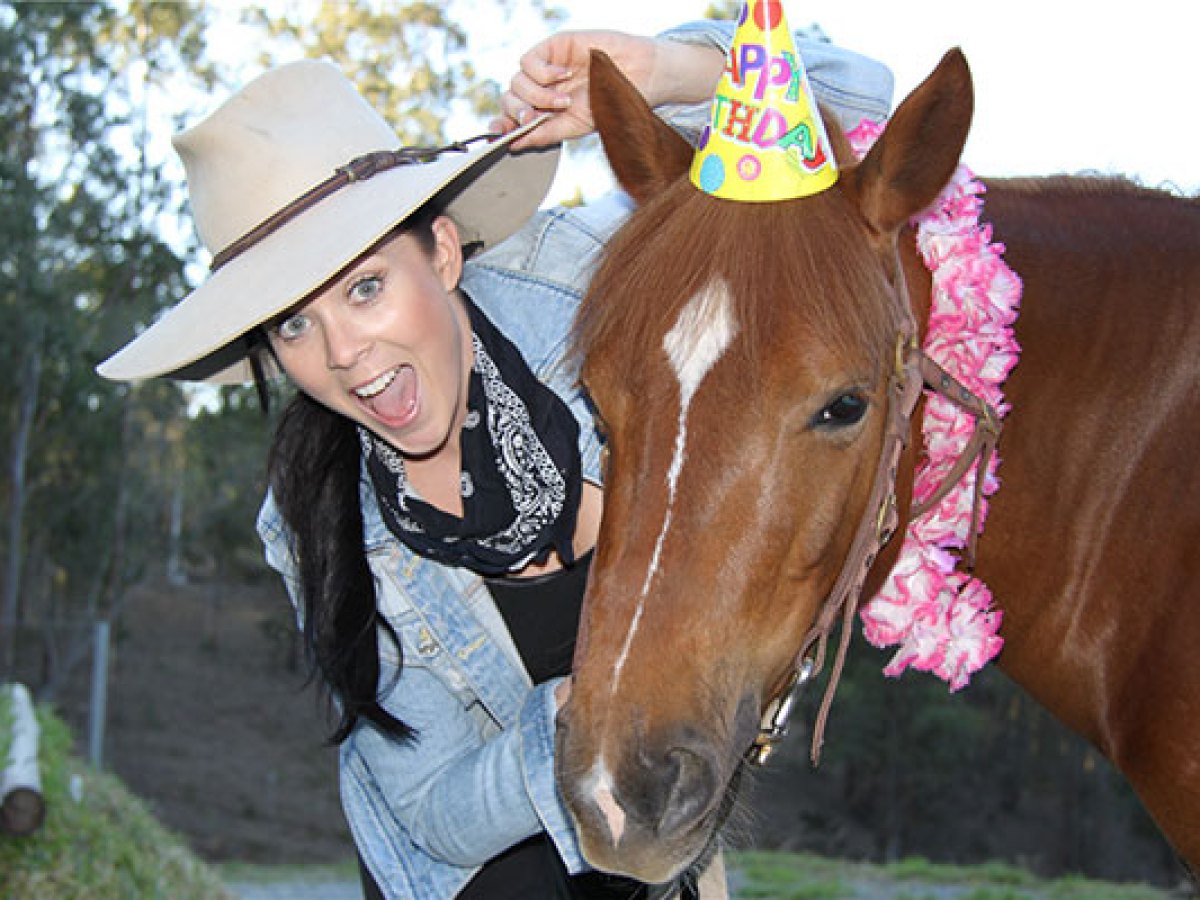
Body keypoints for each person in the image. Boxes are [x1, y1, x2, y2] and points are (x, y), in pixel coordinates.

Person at [98, 16, 893, 900]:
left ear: (441, 252)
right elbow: (434, 809)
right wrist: (579, 715)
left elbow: (863, 99)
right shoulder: (317, 518)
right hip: (475, 875)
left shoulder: (599, 286)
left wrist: (668, 71)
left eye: (366, 288)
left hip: (651, 819)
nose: (345, 354)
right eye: (294, 324)